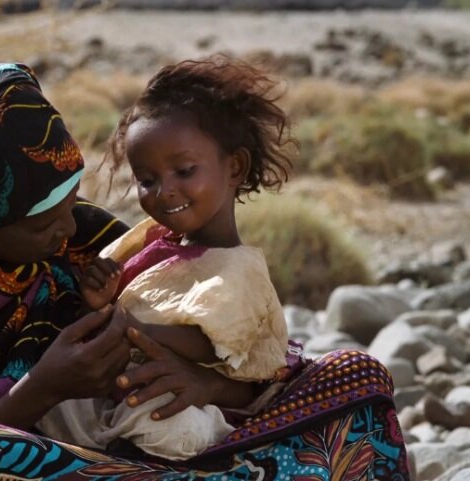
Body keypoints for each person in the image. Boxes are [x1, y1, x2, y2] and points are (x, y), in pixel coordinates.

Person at [0, 62, 411, 480]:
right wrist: (44, 388)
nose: (64, 231)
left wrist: (207, 384)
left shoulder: (82, 235)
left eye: (69, 200)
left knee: (352, 378)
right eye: (37, 223)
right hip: (0, 464)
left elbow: (256, 355)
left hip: (122, 447)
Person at [35, 55, 293, 461]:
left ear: (235, 167)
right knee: (54, 400)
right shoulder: (150, 241)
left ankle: (131, 460)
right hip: (119, 390)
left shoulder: (236, 268)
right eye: (147, 180)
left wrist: (125, 325)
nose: (164, 191)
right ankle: (100, 453)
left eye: (185, 171)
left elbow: (214, 344)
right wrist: (97, 301)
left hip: (178, 400)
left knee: (175, 424)